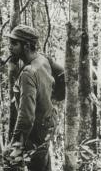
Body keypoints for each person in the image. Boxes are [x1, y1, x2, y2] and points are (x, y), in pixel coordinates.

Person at [5, 24, 60, 171]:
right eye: (10, 42)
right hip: (48, 123)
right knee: (43, 164)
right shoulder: (42, 59)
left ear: (27, 46)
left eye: (14, 43)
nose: (10, 47)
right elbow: (61, 74)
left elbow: (26, 115)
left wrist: (16, 144)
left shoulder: (28, 73)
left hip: (36, 131)